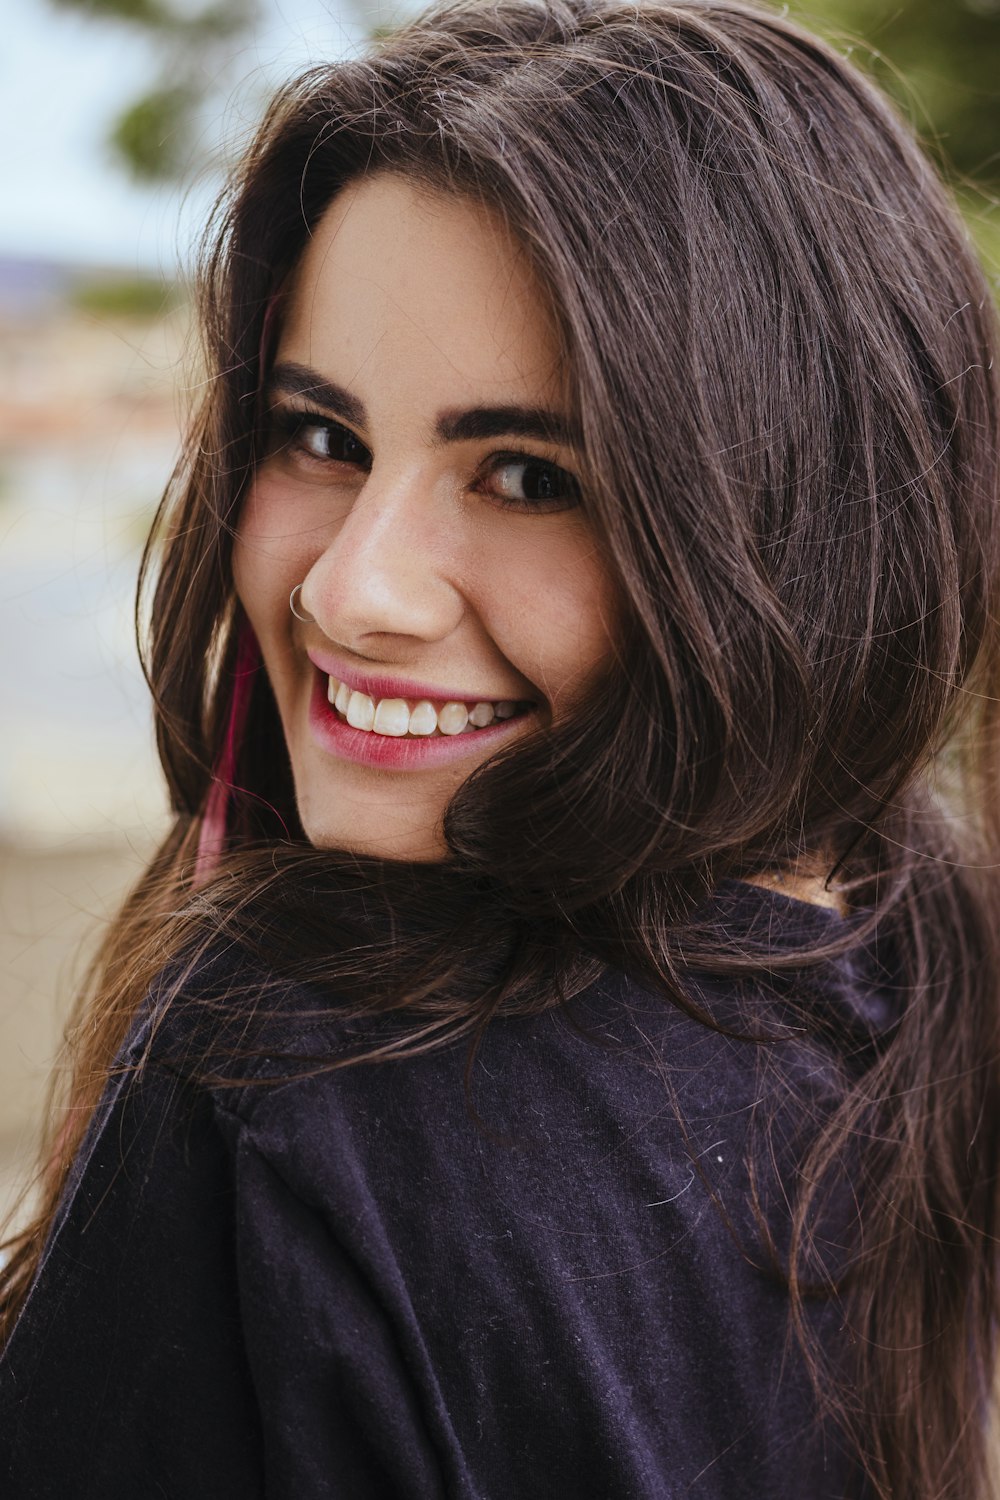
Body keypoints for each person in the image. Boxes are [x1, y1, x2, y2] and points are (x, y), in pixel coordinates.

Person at [2, 0, 999, 1494]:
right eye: (320, 437)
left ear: (805, 531)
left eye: (529, 474)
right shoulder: (904, 959)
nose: (351, 590)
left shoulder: (303, 1073)